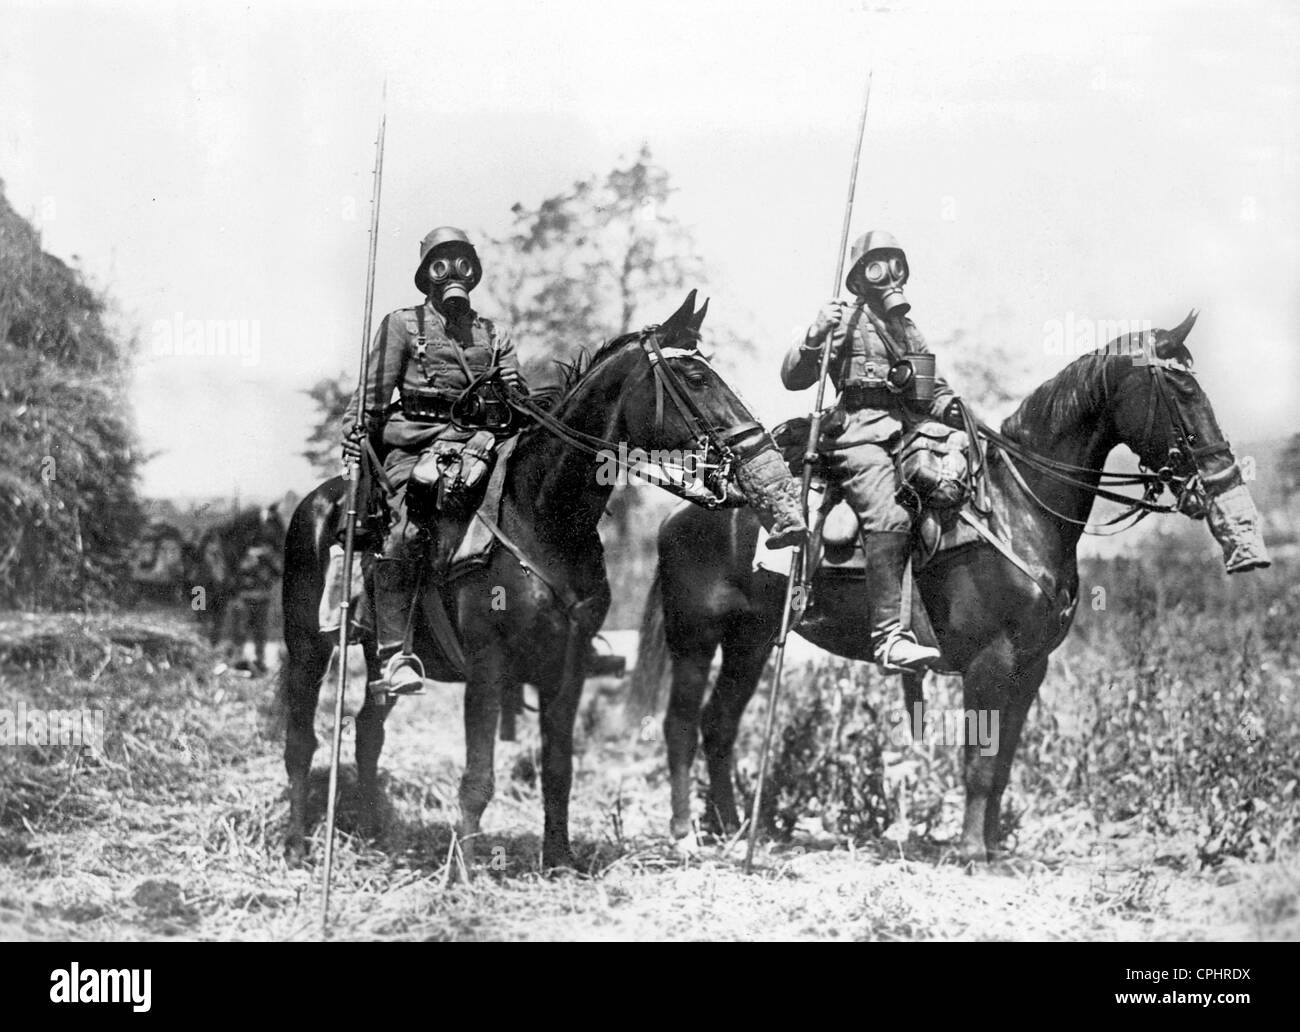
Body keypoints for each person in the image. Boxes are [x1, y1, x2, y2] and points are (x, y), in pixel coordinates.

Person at [342, 226, 525, 694]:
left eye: (462, 264)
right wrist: (356, 431)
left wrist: (496, 425)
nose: (452, 276)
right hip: (414, 444)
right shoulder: (403, 325)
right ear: (427, 274)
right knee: (408, 520)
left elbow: (515, 396)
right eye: (441, 265)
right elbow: (372, 395)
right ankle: (394, 654)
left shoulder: (493, 333)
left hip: (481, 445)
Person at [781, 230, 965, 673]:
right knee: (891, 514)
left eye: (896, 266)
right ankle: (889, 638)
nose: (891, 277)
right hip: (856, 436)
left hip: (905, 433)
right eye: (878, 266)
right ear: (860, 277)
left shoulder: (908, 329)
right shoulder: (843, 320)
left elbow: (928, 391)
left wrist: (954, 409)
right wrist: (814, 334)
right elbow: (794, 377)